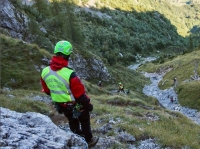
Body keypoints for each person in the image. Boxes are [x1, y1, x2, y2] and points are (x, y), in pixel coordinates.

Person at [40, 40, 99, 147]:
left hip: (61, 105)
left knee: (72, 120)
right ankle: (89, 140)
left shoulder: (45, 71)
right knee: (84, 120)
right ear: (67, 55)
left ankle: (76, 136)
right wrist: (88, 105)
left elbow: (47, 91)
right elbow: (80, 95)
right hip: (75, 104)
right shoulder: (70, 74)